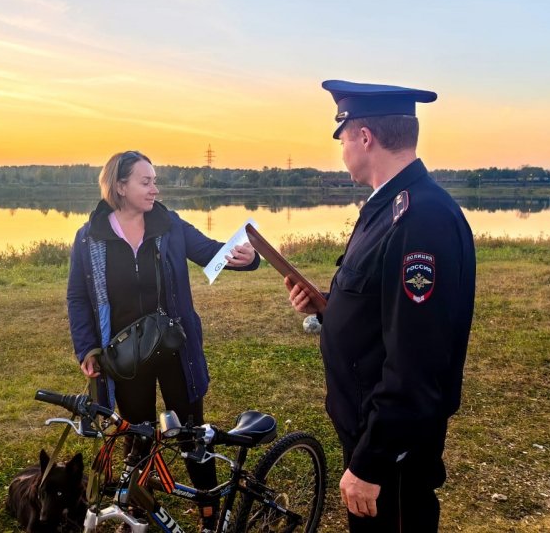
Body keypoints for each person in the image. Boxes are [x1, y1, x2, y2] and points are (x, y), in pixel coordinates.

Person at [285, 81, 476, 532]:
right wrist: (327, 308)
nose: (343, 149)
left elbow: (417, 362)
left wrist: (371, 463)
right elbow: (381, 310)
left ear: (364, 137)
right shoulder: (386, 207)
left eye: (343, 136)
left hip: (393, 451)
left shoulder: (421, 219)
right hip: (368, 426)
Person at [67, 150, 258, 532]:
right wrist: (88, 348)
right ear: (119, 186)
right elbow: (78, 297)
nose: (155, 188)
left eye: (155, 180)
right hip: (123, 357)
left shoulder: (168, 225)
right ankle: (137, 507)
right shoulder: (90, 238)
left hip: (175, 350)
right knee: (136, 435)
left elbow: (211, 252)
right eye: (146, 181)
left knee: (191, 434)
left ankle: (208, 513)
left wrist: (248, 257)